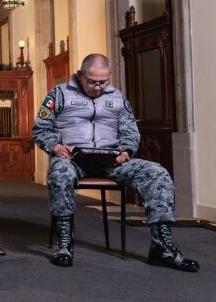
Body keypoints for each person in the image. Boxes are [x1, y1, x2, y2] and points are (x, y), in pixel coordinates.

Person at [32, 53, 199, 272]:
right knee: (60, 173)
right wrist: (55, 146)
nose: (98, 87)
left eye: (103, 81)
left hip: (110, 160)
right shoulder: (59, 93)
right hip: (72, 160)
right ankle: (65, 243)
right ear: (81, 75)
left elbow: (131, 132)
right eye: (92, 81)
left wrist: (126, 151)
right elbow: (40, 129)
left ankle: (162, 247)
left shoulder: (118, 98)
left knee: (156, 173)